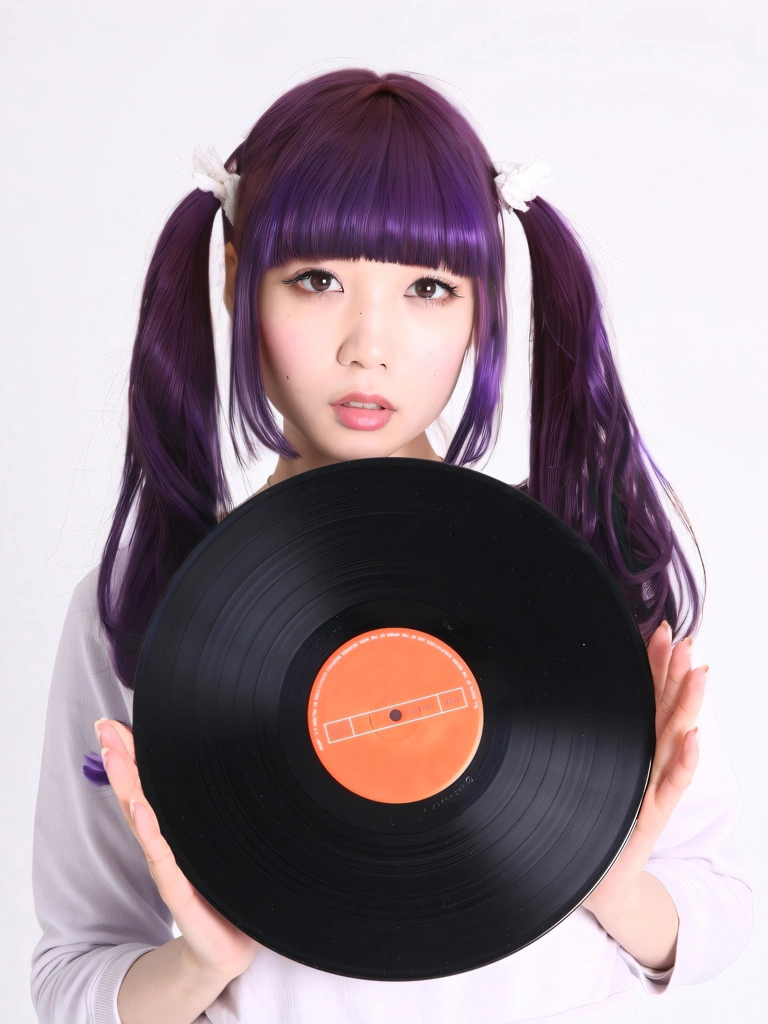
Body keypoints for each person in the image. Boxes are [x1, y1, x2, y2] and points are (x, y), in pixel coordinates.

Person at [30, 68, 753, 1024]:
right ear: (237, 278)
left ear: (481, 310)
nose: (368, 345)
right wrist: (201, 965)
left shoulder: (577, 574)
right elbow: (71, 977)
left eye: (426, 288)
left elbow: (726, 910)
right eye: (317, 280)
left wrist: (608, 882)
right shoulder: (139, 601)